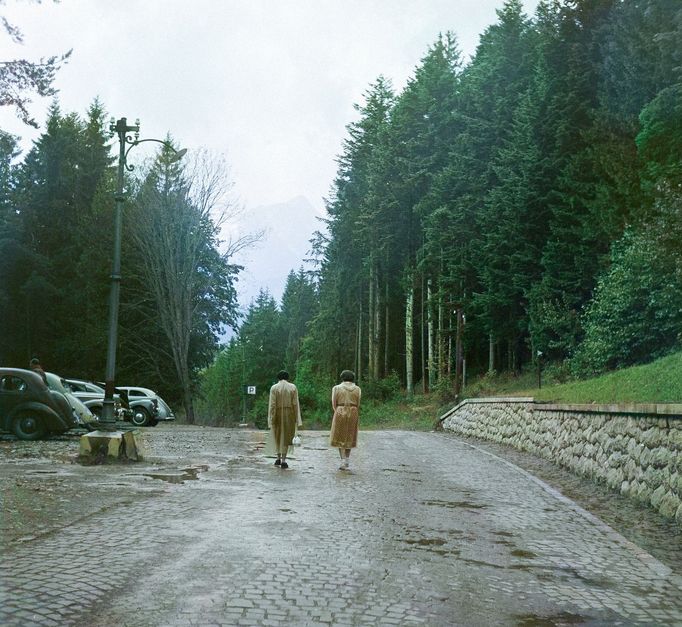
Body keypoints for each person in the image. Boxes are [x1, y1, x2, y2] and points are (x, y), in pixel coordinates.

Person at [267, 370, 302, 469]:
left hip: (277, 413)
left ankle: (277, 458)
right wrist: (297, 418)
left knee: (277, 435)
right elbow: (295, 403)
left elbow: (272, 404)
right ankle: (284, 460)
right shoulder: (293, 387)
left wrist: (271, 417)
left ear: (278, 377)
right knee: (286, 437)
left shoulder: (274, 388)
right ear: (288, 377)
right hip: (289, 413)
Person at [330, 370, 361, 471]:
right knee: (350, 435)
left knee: (340, 435)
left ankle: (343, 460)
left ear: (342, 377)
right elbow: (358, 403)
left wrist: (338, 411)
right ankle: (347, 459)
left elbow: (334, 403)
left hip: (340, 410)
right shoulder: (357, 389)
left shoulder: (336, 388)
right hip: (353, 411)